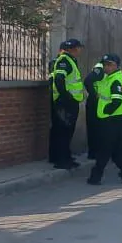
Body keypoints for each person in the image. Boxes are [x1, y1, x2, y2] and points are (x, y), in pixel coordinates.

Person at [88, 53, 122, 185]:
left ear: (116, 66)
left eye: (109, 65)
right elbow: (89, 82)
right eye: (104, 64)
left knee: (105, 150)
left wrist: (107, 110)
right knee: (116, 151)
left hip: (112, 120)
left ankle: (95, 177)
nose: (106, 67)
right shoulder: (107, 78)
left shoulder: (116, 80)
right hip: (108, 119)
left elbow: (117, 101)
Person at [47, 38, 85, 170]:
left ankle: (65, 157)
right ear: (73, 48)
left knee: (66, 131)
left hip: (69, 101)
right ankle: (61, 160)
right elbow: (58, 79)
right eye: (79, 48)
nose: (80, 50)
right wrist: (66, 96)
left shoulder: (70, 61)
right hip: (65, 102)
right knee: (63, 131)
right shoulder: (64, 60)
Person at [82, 55, 107, 161]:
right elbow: (87, 80)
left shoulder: (103, 69)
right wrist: (94, 94)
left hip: (99, 103)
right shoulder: (100, 69)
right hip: (95, 103)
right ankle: (93, 152)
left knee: (98, 129)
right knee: (94, 128)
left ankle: (97, 151)